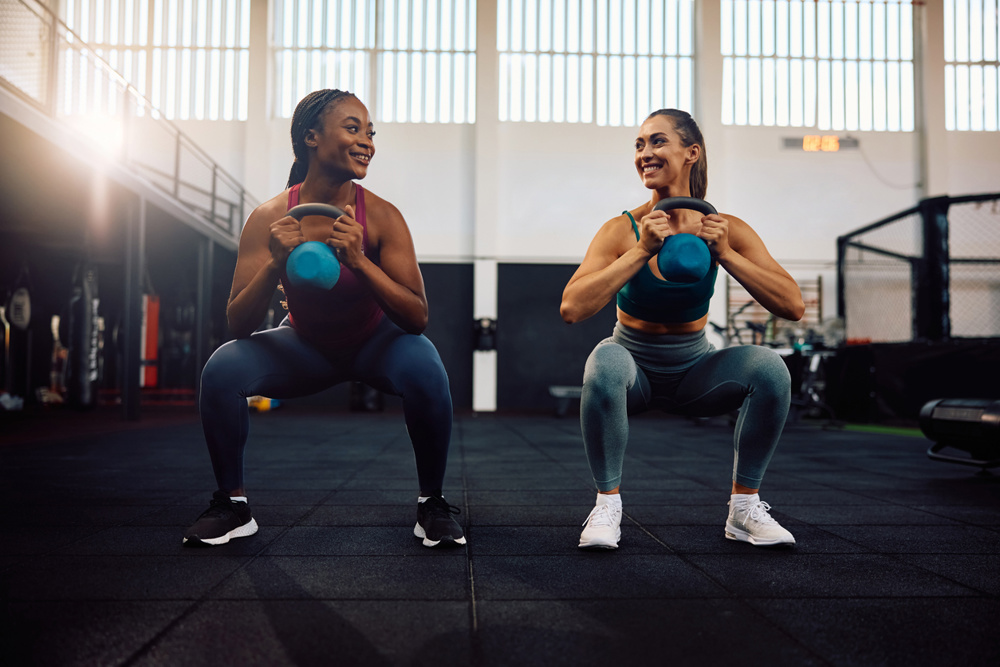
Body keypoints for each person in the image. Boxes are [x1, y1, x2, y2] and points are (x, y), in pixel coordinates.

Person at [183, 89, 465, 549]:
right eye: (353, 129)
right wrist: (275, 263)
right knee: (222, 368)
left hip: (377, 343)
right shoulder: (269, 218)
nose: (367, 142)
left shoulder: (384, 217)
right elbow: (238, 324)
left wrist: (360, 261)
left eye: (370, 133)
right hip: (306, 346)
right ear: (311, 137)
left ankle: (431, 503)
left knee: (427, 366)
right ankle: (232, 508)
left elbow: (417, 317)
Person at [560, 109, 805, 550]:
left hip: (696, 370)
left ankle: (744, 508)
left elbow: (792, 305)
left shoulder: (725, 230)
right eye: (639, 145)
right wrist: (640, 252)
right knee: (604, 361)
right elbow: (572, 308)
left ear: (691, 153)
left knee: (770, 369)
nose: (645, 153)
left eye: (657, 142)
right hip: (633, 367)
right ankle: (607, 505)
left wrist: (726, 253)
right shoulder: (623, 229)